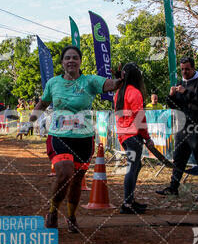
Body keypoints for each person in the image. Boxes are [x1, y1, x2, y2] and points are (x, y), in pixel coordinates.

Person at [29, 45, 123, 233]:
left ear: (80, 61)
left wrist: (121, 79)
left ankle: (71, 216)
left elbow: (111, 85)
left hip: (84, 138)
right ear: (62, 62)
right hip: (59, 136)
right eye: (67, 58)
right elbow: (44, 102)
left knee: (77, 179)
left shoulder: (90, 81)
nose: (71, 60)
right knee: (64, 173)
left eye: (75, 58)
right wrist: (29, 122)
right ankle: (53, 212)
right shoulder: (53, 83)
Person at [156, 57, 198, 202]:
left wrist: (186, 92)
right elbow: (176, 105)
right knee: (179, 158)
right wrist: (170, 96)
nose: (184, 72)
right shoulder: (180, 83)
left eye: (187, 69)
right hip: (182, 127)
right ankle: (173, 188)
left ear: (193, 68)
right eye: (182, 69)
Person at [114, 63, 155, 214]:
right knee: (132, 167)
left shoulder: (119, 93)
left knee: (136, 166)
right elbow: (140, 118)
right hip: (133, 135)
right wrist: (147, 138)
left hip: (123, 135)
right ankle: (127, 203)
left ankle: (130, 200)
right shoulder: (135, 92)